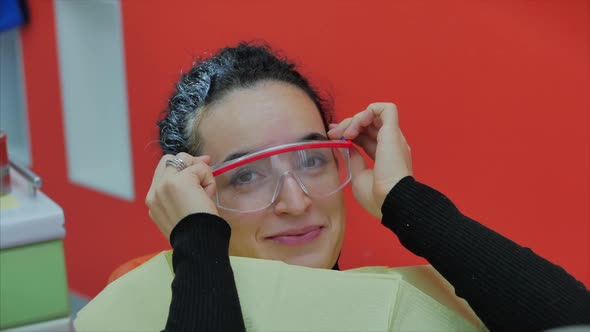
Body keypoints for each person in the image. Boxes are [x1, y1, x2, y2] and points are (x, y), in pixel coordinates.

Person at [145, 42, 590, 331]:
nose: (297, 202)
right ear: (190, 195)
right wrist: (198, 241)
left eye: (312, 159)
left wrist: (404, 199)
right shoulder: (132, 312)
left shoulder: (416, 304)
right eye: (246, 175)